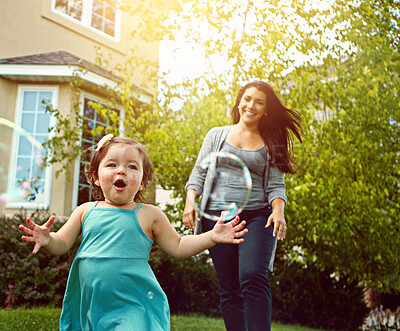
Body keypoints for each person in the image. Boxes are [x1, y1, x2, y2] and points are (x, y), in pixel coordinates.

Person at [19, 134, 248, 331]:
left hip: (133, 301)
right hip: (93, 302)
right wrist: (48, 239)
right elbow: (62, 243)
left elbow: (178, 246)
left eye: (132, 166)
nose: (122, 170)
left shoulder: (149, 214)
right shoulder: (85, 211)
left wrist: (212, 237)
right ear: (97, 177)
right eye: (111, 165)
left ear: (141, 182)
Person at [183, 80, 303, 331]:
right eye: (247, 99)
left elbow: (276, 185)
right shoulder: (216, 135)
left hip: (257, 216)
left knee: (252, 276)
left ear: (266, 110)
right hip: (219, 218)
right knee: (229, 288)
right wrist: (190, 201)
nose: (251, 105)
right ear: (239, 101)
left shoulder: (272, 140)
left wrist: (278, 211)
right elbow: (199, 172)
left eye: (259, 102)